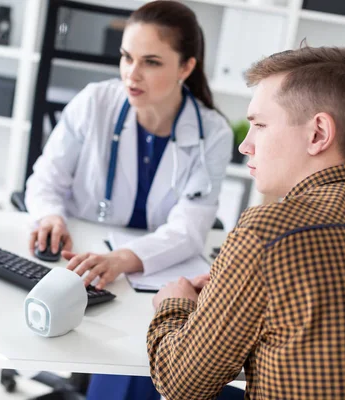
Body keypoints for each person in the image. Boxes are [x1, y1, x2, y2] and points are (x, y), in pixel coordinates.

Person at [147, 44, 345, 400]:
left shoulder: (266, 234)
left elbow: (181, 385)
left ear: (318, 134)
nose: (245, 146)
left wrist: (176, 305)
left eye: (260, 125)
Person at [24, 1, 233, 399]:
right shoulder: (95, 102)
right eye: (126, 57)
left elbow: (189, 228)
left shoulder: (213, 133)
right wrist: (50, 216)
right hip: (81, 260)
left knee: (141, 357)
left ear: (186, 68)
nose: (131, 74)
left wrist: (122, 259)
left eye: (151, 62)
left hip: (146, 277)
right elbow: (45, 179)